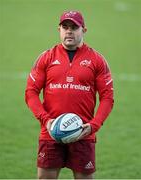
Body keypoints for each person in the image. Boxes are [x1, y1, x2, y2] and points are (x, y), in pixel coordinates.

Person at [25, 10, 114, 179]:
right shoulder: (46, 57)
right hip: (50, 133)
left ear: (84, 30)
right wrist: (46, 120)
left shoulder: (97, 60)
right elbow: (31, 92)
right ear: (59, 29)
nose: (69, 31)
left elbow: (107, 98)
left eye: (74, 27)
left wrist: (93, 125)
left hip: (83, 133)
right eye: (65, 27)